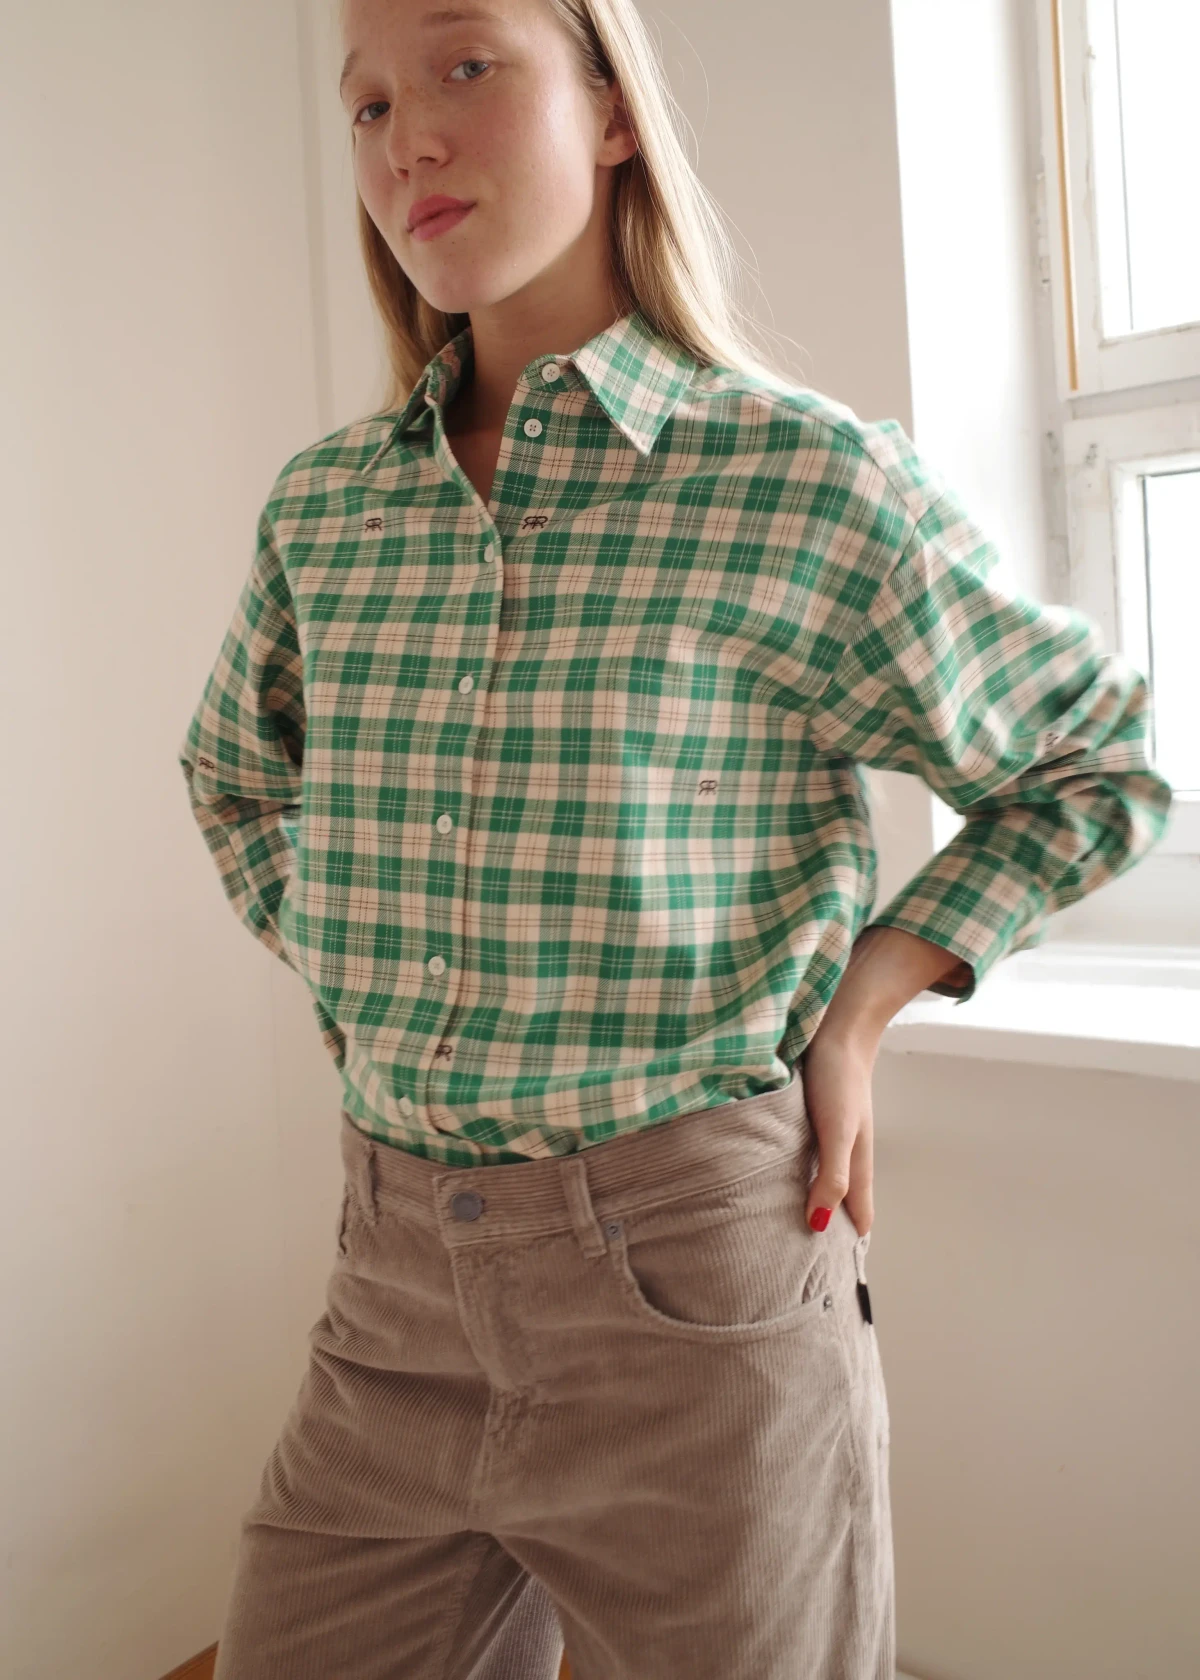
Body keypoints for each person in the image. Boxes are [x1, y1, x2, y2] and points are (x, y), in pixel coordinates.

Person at [179, 0, 1173, 1674]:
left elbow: (1097, 761)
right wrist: (365, 960)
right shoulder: (328, 508)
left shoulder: (802, 482)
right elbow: (235, 779)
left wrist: (861, 1006)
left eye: (465, 66)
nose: (407, 140)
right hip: (390, 1287)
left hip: (696, 1295)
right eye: (365, 106)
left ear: (613, 108)